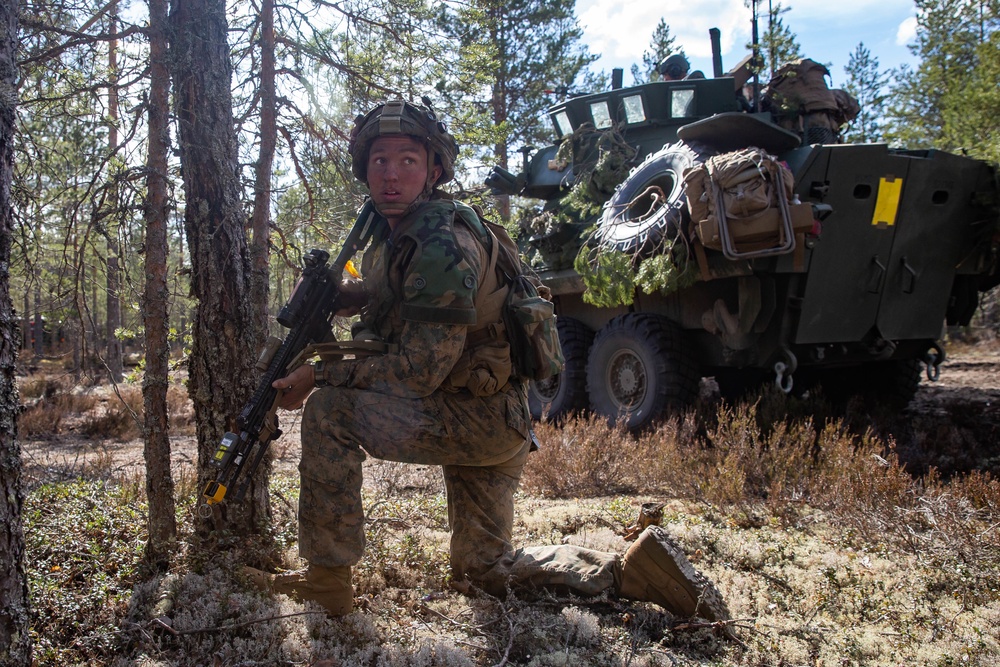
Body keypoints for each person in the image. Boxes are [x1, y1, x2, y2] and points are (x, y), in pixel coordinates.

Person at [244, 99, 731, 626]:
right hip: (494, 417)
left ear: (433, 169)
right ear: (364, 168)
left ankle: (327, 583)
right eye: (379, 161)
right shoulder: (411, 229)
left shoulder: (438, 240)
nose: (391, 175)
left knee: (330, 411)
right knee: (484, 571)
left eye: (408, 160)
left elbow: (419, 372)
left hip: (471, 416)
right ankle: (628, 572)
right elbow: (418, 299)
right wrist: (354, 296)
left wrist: (320, 373)